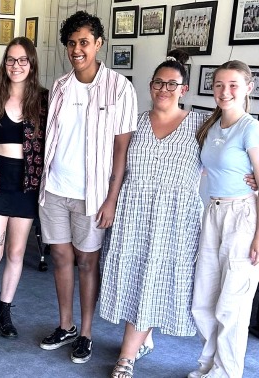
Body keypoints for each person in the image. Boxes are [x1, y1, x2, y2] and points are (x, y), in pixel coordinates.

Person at [38, 11, 137, 363]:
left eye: (84, 42)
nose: (77, 49)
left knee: (87, 262)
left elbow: (121, 150)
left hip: (92, 194)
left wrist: (111, 199)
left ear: (98, 43)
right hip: (55, 188)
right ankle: (65, 326)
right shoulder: (61, 87)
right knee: (61, 257)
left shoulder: (119, 88)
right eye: (71, 43)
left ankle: (86, 332)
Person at [99, 50, 203, 378]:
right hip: (134, 215)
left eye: (172, 84)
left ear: (183, 89)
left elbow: (228, 156)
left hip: (175, 221)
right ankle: (143, 341)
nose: (164, 89)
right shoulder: (135, 123)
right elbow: (117, 166)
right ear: (150, 85)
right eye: (158, 82)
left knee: (156, 283)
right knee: (137, 282)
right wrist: (111, 202)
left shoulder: (201, 125)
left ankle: (127, 357)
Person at [0, 36, 47, 343]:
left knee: (16, 253)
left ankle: (5, 312)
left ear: (31, 64)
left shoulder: (43, 100)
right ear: (5, 64)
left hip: (27, 183)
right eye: (11, 60)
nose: (16, 66)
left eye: (22, 60)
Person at [189, 60, 259, 378]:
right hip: (213, 213)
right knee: (203, 300)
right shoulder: (210, 125)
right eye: (219, 85)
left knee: (232, 305)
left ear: (248, 88)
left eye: (233, 85)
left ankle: (227, 372)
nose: (225, 91)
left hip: (243, 217)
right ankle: (209, 363)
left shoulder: (250, 127)